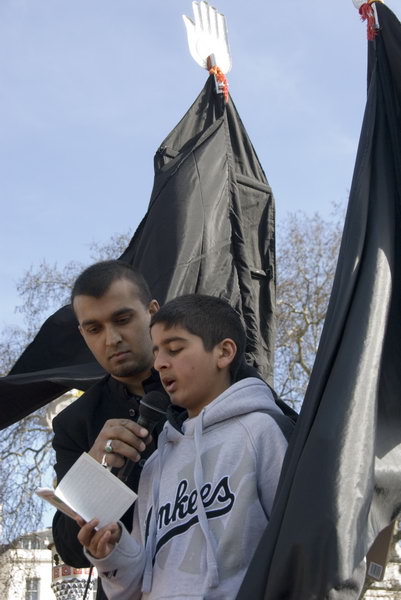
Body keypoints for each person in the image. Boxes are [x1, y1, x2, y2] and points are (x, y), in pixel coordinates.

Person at [77, 294, 294, 599]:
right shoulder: (155, 463)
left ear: (224, 352)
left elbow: (302, 546)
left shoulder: (262, 431)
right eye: (156, 352)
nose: (160, 363)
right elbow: (136, 586)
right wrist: (113, 553)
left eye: (175, 349)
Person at [52, 260, 164, 600]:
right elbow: (70, 548)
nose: (111, 339)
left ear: (152, 313)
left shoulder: (209, 377)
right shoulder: (75, 423)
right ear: (83, 335)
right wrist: (94, 471)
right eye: (94, 329)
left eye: (123, 319)